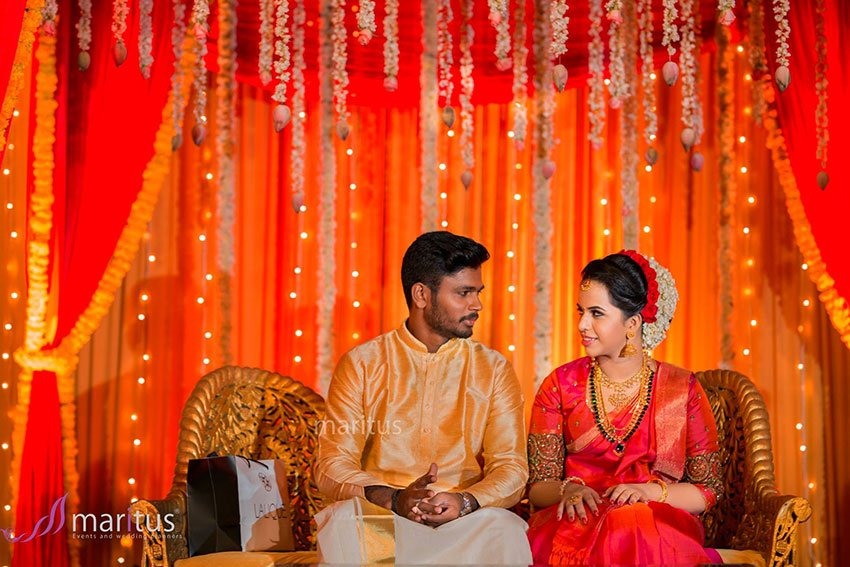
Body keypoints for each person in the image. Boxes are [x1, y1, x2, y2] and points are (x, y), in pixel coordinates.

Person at [314, 231, 532, 565]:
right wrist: (393, 498)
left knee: (504, 528)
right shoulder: (363, 364)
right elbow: (331, 464)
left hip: (462, 522)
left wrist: (466, 501)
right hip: (385, 518)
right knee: (344, 523)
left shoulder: (493, 369)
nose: (477, 304)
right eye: (463, 293)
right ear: (421, 295)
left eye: (477, 292)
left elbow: (512, 466)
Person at [526, 250, 725, 565]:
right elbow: (538, 487)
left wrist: (649, 493)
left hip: (657, 527)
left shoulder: (680, 389)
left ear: (632, 323)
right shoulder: (560, 386)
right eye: (580, 311)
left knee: (629, 526)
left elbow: (708, 490)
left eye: (596, 313)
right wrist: (568, 489)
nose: (582, 324)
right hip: (576, 522)